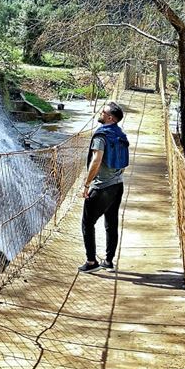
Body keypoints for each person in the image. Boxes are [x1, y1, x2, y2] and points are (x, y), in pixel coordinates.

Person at [78, 101, 129, 273]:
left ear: (109, 117)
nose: (100, 113)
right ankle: (108, 260)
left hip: (102, 188)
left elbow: (96, 161)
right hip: (118, 185)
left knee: (87, 223)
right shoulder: (120, 134)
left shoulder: (101, 136)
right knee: (111, 222)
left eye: (103, 112)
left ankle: (91, 262)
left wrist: (86, 184)